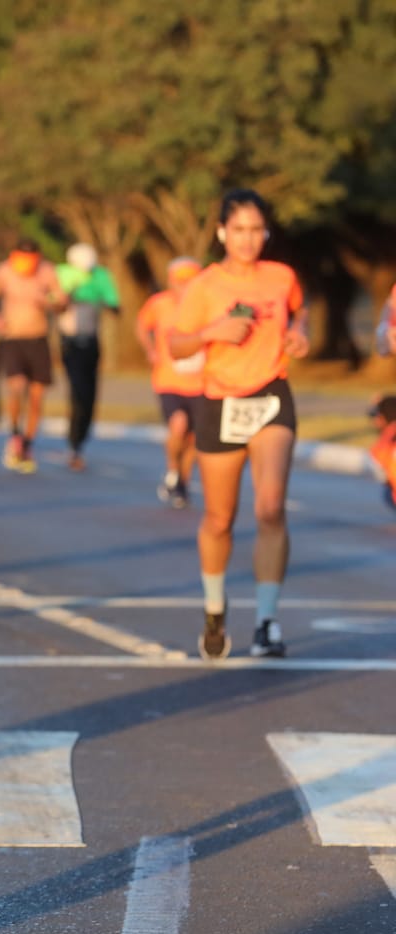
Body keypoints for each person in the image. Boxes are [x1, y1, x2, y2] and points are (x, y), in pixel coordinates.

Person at [169, 189, 308, 660]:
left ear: (265, 232)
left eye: (256, 230)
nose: (248, 240)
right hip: (221, 402)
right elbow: (176, 344)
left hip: (271, 395)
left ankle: (267, 621)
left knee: (270, 508)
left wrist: (299, 333)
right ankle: (214, 608)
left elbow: (299, 308)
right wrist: (212, 333)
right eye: (240, 230)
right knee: (219, 518)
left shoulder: (281, 276)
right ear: (223, 233)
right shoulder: (204, 286)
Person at [0, 238, 66, 474]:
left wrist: (49, 302)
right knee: (16, 387)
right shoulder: (3, 271)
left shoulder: (47, 271)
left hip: (38, 339)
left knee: (37, 396)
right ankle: (15, 435)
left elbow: (60, 302)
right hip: (12, 339)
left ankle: (28, 444)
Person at [136, 257, 205, 507]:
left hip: (201, 383)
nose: (184, 286)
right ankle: (173, 470)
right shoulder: (160, 304)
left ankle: (182, 484)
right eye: (180, 281)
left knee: (195, 439)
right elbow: (142, 326)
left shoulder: (207, 306)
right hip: (168, 380)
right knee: (178, 424)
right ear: (171, 281)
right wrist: (150, 349)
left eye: (190, 281)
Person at [55, 242, 121, 471]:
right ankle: (73, 444)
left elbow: (114, 306)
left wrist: (104, 299)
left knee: (90, 393)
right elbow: (55, 303)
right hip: (69, 343)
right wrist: (69, 293)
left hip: (91, 342)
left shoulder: (100, 276)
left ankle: (80, 439)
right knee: (77, 391)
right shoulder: (62, 274)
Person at [370, 395, 396, 512]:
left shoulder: (390, 440)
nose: (375, 421)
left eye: (377, 416)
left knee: (388, 493)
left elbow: (379, 453)